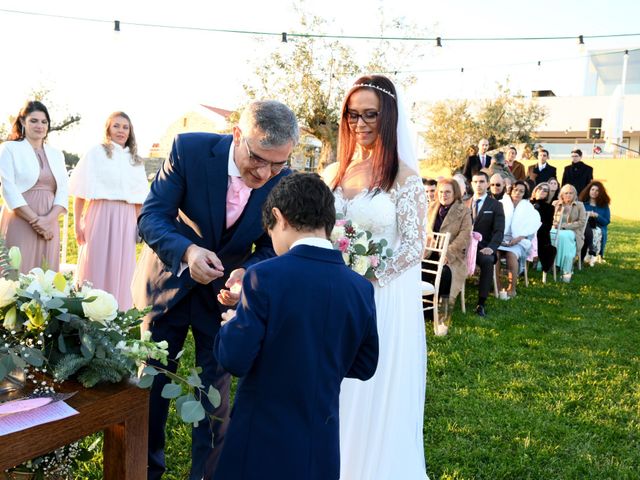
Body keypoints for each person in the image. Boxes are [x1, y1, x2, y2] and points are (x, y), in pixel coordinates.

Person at [131, 100, 298, 480]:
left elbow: (274, 246)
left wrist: (247, 273)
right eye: (257, 158)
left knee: (214, 399)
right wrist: (187, 252)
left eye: (277, 164)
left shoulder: (281, 180)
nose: (265, 172)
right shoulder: (188, 149)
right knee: (151, 387)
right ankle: (144, 471)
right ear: (237, 135)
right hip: (166, 285)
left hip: (224, 298)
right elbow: (152, 216)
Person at [213, 173, 378, 480]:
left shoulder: (263, 276)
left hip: (261, 441)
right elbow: (365, 364)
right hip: (321, 442)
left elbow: (234, 359)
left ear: (279, 217)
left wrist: (235, 323)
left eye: (270, 230)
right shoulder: (360, 287)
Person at [322, 75, 428, 479]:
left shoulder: (404, 177)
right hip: (333, 291)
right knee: (334, 381)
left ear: (388, 118)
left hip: (380, 295)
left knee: (369, 382)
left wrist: (366, 275)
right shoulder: (334, 171)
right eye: (352, 114)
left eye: (370, 115)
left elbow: (413, 246)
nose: (360, 123)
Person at [69, 112, 149, 309]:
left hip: (126, 218)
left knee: (121, 267)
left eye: (125, 127)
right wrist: (77, 224)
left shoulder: (135, 160)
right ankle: (88, 311)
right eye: (116, 126)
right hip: (100, 213)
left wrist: (141, 227)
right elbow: (80, 191)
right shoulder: (96, 153)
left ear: (130, 131)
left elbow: (139, 200)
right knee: (94, 263)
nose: (121, 131)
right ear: (108, 129)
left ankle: (117, 313)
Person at [0, 100, 68, 273]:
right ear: (23, 122)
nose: (40, 126)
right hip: (21, 219)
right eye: (34, 121)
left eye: (44, 122)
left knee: (47, 277)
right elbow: (8, 189)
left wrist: (48, 221)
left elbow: (63, 191)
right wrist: (37, 221)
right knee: (17, 274)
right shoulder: (9, 149)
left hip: (50, 221)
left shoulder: (57, 154)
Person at [424, 178, 472, 335]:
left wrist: (447, 253)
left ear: (455, 193)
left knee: (445, 274)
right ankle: (425, 311)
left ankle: (444, 317)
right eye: (441, 191)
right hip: (430, 253)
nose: (444, 195)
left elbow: (465, 236)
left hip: (452, 257)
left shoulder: (463, 210)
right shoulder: (431, 207)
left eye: (448, 192)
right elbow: (425, 231)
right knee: (420, 270)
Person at [469, 171, 505, 316]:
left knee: (488, 261)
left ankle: (481, 303)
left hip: (483, 248)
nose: (478, 185)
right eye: (475, 182)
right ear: (471, 184)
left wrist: (491, 248)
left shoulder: (495, 205)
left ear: (487, 184)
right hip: (464, 248)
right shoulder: (464, 203)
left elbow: (499, 231)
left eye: (482, 181)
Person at [497, 181, 541, 297]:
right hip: (500, 238)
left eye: (521, 191)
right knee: (495, 254)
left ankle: (512, 288)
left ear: (524, 193)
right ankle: (498, 285)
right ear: (511, 190)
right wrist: (498, 237)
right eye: (515, 190)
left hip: (519, 239)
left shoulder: (528, 208)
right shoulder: (501, 204)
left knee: (511, 254)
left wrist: (518, 238)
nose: (517, 193)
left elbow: (532, 228)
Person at [551, 184, 586, 282]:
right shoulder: (555, 203)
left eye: (571, 193)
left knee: (563, 237)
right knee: (551, 235)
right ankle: (552, 264)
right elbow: (550, 218)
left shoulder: (579, 205)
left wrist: (564, 226)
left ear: (575, 194)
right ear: (562, 194)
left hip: (573, 232)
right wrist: (554, 223)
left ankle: (564, 267)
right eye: (566, 193)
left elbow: (582, 222)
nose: (568, 195)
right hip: (555, 229)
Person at [579, 180, 611, 263]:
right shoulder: (582, 203)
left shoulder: (604, 205)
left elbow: (606, 221)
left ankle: (592, 255)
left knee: (596, 232)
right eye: (592, 189)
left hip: (599, 226)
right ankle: (584, 254)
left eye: (597, 191)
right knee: (587, 231)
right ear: (589, 190)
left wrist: (597, 216)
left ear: (600, 193)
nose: (594, 192)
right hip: (585, 225)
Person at [530, 182, 556, 272]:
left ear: (548, 194)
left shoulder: (550, 208)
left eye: (545, 190)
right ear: (536, 190)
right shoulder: (526, 204)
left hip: (541, 235)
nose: (542, 191)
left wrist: (534, 230)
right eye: (540, 188)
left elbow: (547, 226)